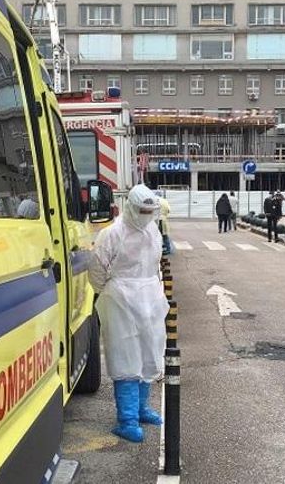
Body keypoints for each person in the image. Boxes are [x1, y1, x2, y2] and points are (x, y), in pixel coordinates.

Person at [89, 185, 169, 443]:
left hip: (150, 298)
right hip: (121, 300)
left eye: (150, 211)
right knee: (124, 357)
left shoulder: (152, 231)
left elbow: (156, 263)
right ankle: (128, 420)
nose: (147, 215)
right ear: (131, 208)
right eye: (143, 210)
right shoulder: (112, 234)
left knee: (149, 354)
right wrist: (110, 292)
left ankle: (141, 409)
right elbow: (97, 269)